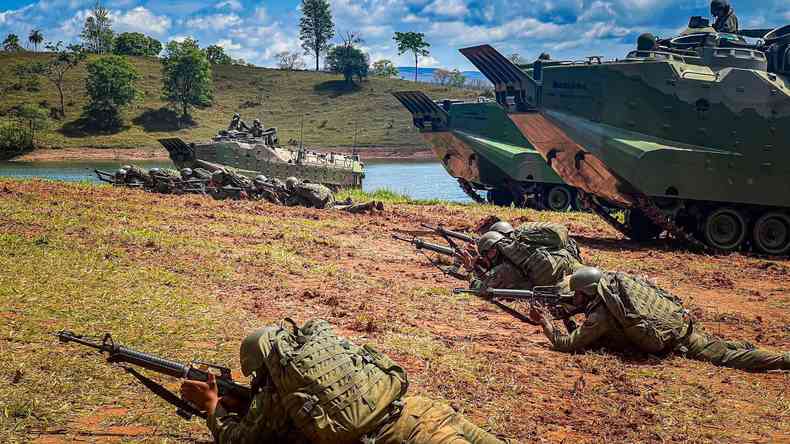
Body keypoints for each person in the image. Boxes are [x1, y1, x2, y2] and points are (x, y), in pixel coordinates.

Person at [180, 319, 508, 444]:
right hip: (424, 412)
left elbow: (242, 441)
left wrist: (213, 409)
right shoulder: (321, 361)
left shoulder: (282, 396)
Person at [529, 267, 790, 372]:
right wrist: (567, 312)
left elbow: (566, 344)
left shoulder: (601, 315)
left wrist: (546, 322)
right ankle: (753, 349)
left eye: (575, 295)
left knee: (727, 358)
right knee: (725, 346)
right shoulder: (611, 289)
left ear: (586, 293)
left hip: (680, 339)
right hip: (681, 323)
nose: (573, 299)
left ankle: (783, 359)